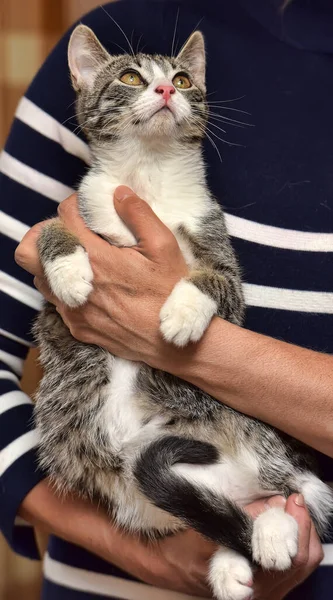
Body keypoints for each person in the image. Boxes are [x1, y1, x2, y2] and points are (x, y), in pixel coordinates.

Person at [1, 0, 332, 598]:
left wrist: (178, 337)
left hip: (260, 495)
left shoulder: (193, 202)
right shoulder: (117, 29)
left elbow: (211, 294)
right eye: (137, 80)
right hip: (116, 540)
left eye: (181, 80)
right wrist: (132, 549)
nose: (162, 89)